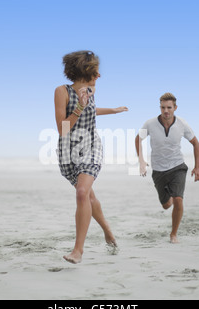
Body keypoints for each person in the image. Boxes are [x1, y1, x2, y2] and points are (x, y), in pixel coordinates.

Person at [54, 50, 128, 264]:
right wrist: (79, 107)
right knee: (88, 196)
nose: (99, 76)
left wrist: (112, 111)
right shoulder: (62, 91)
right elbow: (63, 129)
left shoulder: (91, 89)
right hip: (68, 152)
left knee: (81, 193)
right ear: (85, 70)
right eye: (96, 71)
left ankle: (78, 250)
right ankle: (107, 230)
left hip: (91, 146)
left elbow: (90, 110)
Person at [135, 92, 199, 244]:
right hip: (158, 169)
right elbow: (138, 139)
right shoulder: (150, 123)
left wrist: (197, 167)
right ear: (160, 107)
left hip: (177, 166)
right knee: (166, 205)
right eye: (163, 107)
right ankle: (169, 198)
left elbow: (196, 143)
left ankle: (173, 234)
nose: (166, 111)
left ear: (175, 108)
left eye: (169, 107)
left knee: (178, 199)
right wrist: (141, 161)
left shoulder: (182, 124)